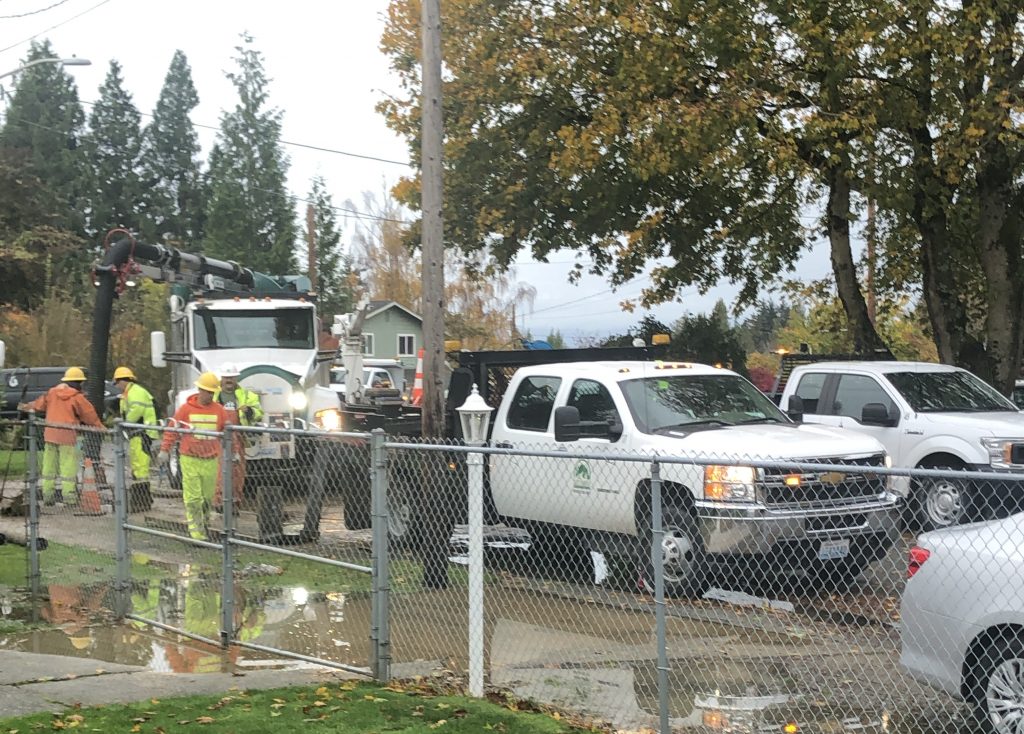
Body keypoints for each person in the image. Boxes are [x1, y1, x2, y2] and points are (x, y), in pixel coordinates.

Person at [18, 367, 105, 506]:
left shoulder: (52, 393)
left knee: (48, 466)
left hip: (50, 434)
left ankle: (48, 496)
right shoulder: (77, 397)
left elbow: (38, 405)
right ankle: (69, 497)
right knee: (68, 466)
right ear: (78, 382)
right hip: (68, 435)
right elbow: (89, 415)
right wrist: (101, 428)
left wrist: (25, 407)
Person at [155, 372, 227, 540]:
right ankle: (196, 532)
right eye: (206, 391)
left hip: (211, 459)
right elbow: (172, 429)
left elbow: (227, 432)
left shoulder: (219, 411)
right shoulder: (186, 410)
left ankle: (204, 523)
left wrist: (234, 451)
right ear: (199, 389)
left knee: (207, 498)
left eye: (211, 392)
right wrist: (165, 449)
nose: (208, 395)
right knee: (193, 498)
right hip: (189, 458)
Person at [213, 364, 264, 511]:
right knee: (219, 471)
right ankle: (219, 502)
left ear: (236, 378)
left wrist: (249, 412)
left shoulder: (247, 395)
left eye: (231, 377)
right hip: (218, 436)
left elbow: (258, 413)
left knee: (237, 472)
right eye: (226, 377)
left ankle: (234, 501)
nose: (229, 380)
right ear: (221, 378)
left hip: (238, 436)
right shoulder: (215, 395)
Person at [112, 366, 159, 511]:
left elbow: (136, 411)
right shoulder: (130, 392)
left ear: (122, 381)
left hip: (141, 432)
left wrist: (123, 424)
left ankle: (142, 500)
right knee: (137, 465)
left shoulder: (135, 392)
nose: (117, 386)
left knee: (141, 466)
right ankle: (142, 498)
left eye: (117, 383)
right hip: (137, 432)